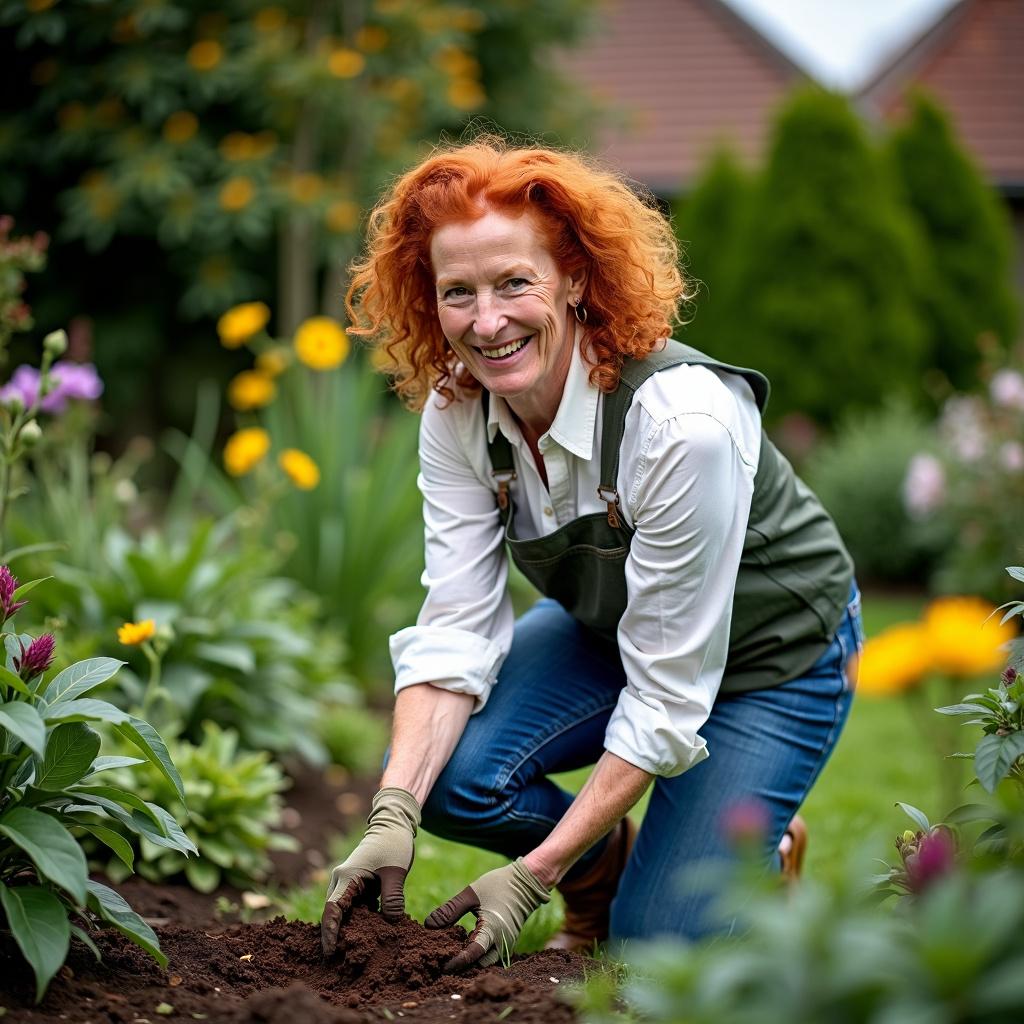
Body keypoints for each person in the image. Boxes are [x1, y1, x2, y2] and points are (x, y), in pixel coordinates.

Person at [320, 138, 862, 970]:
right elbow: (456, 626)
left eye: (514, 283)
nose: (487, 321)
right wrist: (392, 812)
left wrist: (534, 872)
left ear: (574, 278)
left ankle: (757, 844)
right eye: (457, 292)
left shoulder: (682, 426)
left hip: (773, 661)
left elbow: (668, 692)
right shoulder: (459, 413)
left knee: (657, 953)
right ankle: (608, 871)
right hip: (615, 633)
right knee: (457, 780)